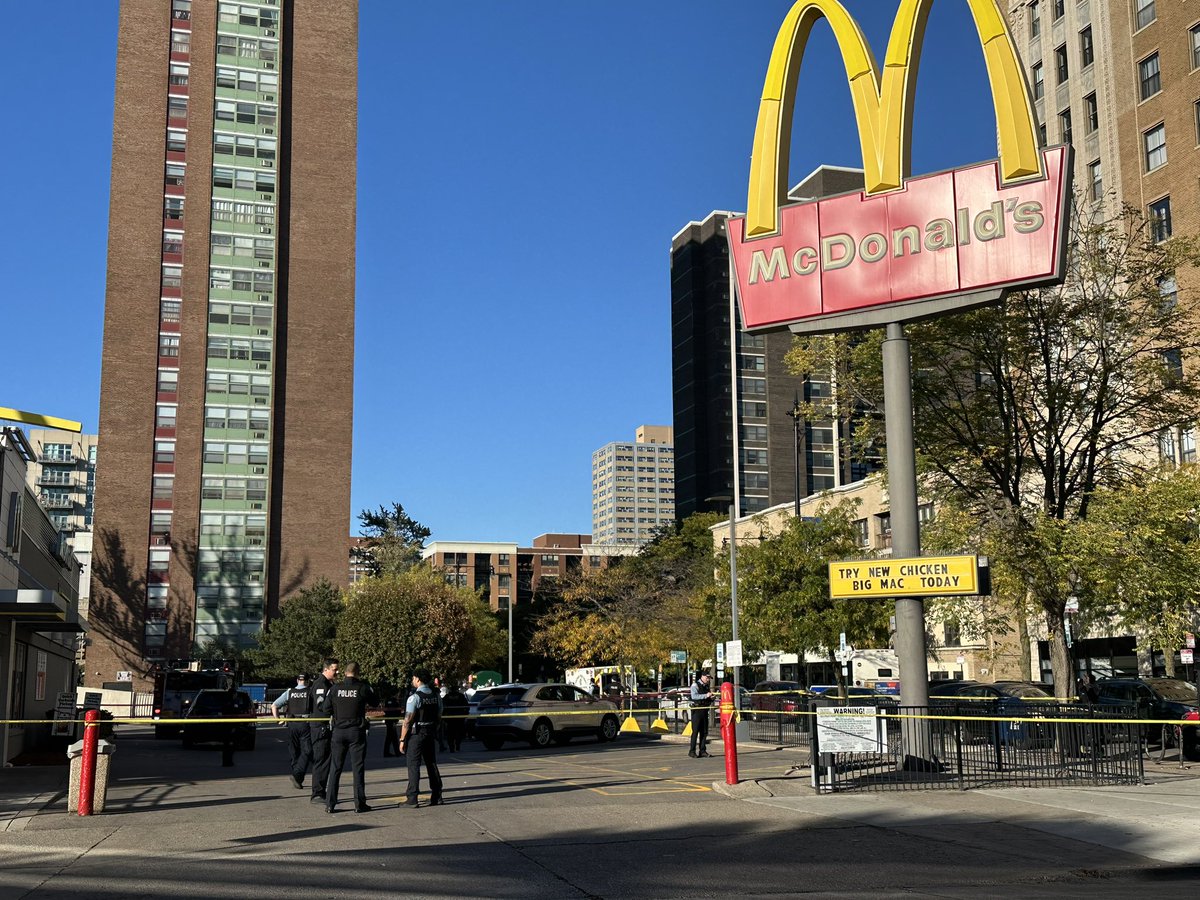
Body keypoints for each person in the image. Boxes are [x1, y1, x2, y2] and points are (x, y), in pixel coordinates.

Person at [321, 661, 377, 813]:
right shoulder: (363, 688)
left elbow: (325, 709)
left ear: (345, 673)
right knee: (357, 768)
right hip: (356, 732)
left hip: (338, 732)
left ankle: (330, 804)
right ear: (358, 673)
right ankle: (359, 804)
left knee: (335, 768)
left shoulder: (334, 689)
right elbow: (375, 702)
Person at [399, 669, 443, 807]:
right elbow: (439, 714)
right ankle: (437, 795)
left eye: (413, 678)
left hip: (417, 734)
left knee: (413, 765)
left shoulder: (415, 697)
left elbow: (407, 721)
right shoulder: (436, 696)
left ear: (418, 679)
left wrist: (402, 739)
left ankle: (412, 798)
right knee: (431, 763)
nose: (412, 680)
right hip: (430, 732)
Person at [272, 674, 312, 789]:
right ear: (308, 681)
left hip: (292, 723)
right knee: (307, 750)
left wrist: (278, 720)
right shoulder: (310, 691)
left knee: (294, 751)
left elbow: (274, 705)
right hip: (306, 724)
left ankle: (297, 775)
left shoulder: (290, 692)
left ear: (297, 680)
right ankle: (297, 775)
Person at [308, 657, 339, 804]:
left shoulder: (328, 684)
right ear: (325, 669)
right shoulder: (321, 684)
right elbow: (322, 706)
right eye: (334, 669)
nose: (337, 672)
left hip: (324, 726)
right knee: (321, 760)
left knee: (326, 760)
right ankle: (317, 793)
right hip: (320, 726)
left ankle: (321, 791)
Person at [689, 672, 714, 758]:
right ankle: (692, 751)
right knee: (695, 732)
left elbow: (707, 698)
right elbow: (694, 696)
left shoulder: (706, 686)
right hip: (697, 710)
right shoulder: (695, 685)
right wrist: (706, 695)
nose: (708, 679)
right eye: (707, 678)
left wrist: (711, 698)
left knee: (704, 732)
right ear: (702, 676)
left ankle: (702, 751)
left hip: (704, 710)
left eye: (709, 678)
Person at [442, 681, 469, 752]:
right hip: (457, 718)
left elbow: (442, 707)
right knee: (456, 733)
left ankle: (453, 747)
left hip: (451, 718)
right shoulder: (460, 696)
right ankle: (456, 746)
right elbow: (466, 706)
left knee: (451, 734)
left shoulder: (447, 697)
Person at [381, 692, 403, 757]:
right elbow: (398, 711)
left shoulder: (387, 700)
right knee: (392, 737)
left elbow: (385, 710)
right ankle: (395, 753)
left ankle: (390, 752)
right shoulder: (395, 701)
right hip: (392, 721)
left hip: (388, 720)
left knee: (391, 737)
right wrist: (397, 719)